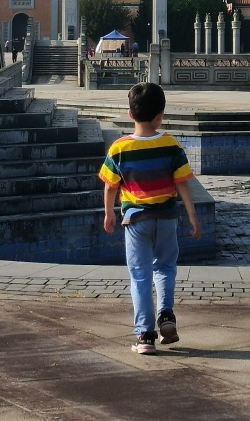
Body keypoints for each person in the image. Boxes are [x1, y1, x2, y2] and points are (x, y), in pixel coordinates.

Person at [98, 82, 202, 355]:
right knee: (165, 267)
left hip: (136, 221)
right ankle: (166, 315)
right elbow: (182, 183)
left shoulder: (119, 148)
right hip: (167, 218)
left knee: (140, 276)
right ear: (160, 116)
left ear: (130, 114)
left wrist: (109, 213)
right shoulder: (170, 144)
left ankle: (145, 335)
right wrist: (192, 216)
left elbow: (110, 186)